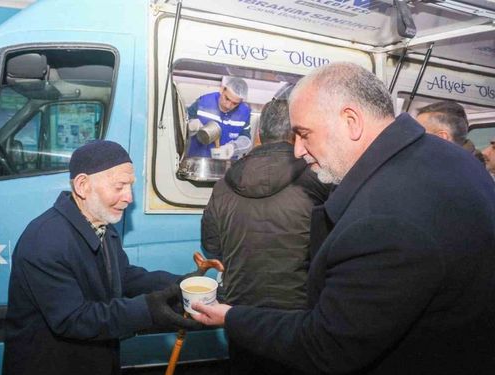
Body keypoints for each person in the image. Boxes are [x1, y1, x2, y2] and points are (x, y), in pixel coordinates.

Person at [192, 62, 495, 374]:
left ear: (351, 121)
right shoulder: (454, 158)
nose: (298, 151)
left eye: (304, 134)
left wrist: (232, 317)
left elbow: (327, 345)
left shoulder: (382, 218)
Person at [3, 140, 199, 375]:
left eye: (130, 186)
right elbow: (74, 318)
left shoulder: (100, 224)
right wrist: (148, 310)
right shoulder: (45, 240)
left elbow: (123, 276)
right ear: (83, 185)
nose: (129, 198)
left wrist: (179, 286)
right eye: (119, 187)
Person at [201, 97, 329, 374]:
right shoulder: (319, 182)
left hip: (239, 313)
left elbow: (211, 246)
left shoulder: (224, 184)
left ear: (259, 134)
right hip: (299, 318)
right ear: (297, 134)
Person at [186, 76, 252, 160]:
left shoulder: (244, 113)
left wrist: (232, 148)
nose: (228, 106)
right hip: (197, 160)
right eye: (227, 98)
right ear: (222, 90)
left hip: (227, 165)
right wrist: (190, 125)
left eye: (235, 103)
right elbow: (180, 125)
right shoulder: (203, 103)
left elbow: (246, 139)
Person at [415, 100, 486, 161]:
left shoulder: (450, 172)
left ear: (441, 138)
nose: (413, 136)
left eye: (418, 132)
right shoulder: (470, 166)